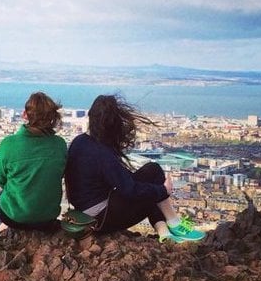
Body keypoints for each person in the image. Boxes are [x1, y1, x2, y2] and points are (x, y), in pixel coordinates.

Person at [64, 94, 205, 243]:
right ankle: (175, 224)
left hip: (84, 213)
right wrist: (163, 191)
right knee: (153, 172)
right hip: (101, 218)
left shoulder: (79, 142)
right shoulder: (102, 152)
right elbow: (129, 189)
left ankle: (165, 233)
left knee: (148, 186)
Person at [0, 92, 67, 232]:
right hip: (48, 217)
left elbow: (0, 178)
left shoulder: (8, 144)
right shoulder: (60, 144)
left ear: (24, 115)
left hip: (15, 217)